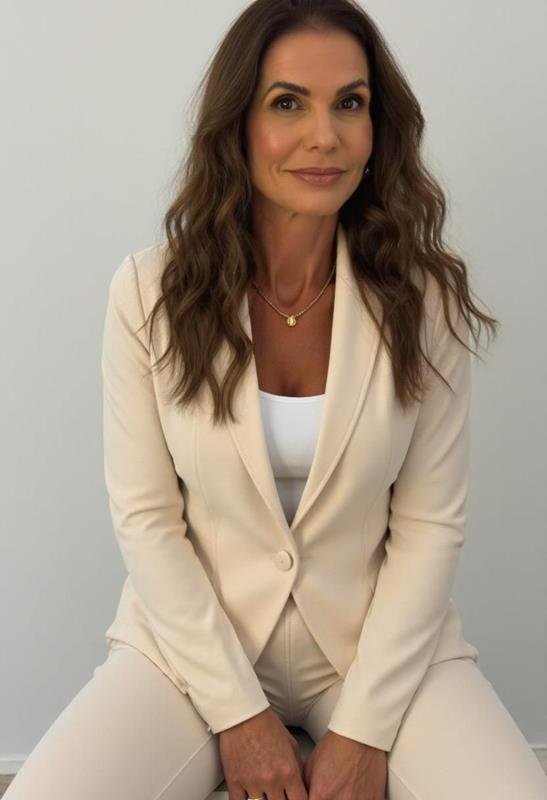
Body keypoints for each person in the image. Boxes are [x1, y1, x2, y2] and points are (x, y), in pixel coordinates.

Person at [5, 1, 547, 798]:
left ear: (378, 127)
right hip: (192, 651)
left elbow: (430, 524)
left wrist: (363, 729)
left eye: (349, 103)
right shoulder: (149, 294)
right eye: (287, 103)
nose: (324, 136)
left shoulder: (420, 300)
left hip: (375, 648)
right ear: (236, 124)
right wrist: (237, 714)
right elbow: (147, 520)